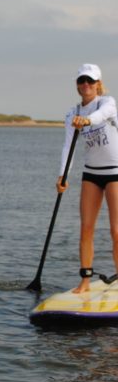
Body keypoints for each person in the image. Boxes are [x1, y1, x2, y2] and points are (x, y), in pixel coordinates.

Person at [56, 64, 118, 294]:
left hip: (115, 172)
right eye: (82, 81)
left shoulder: (107, 103)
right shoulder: (73, 113)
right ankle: (85, 280)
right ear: (77, 85)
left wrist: (88, 121)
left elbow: (100, 116)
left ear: (98, 84)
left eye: (90, 81)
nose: (86, 85)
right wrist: (63, 176)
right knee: (86, 228)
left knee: (116, 231)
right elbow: (67, 146)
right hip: (91, 174)